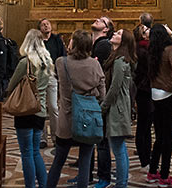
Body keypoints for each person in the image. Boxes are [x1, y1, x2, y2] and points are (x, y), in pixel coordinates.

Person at [46, 30, 105, 188]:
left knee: (58, 161)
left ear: (74, 43)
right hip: (87, 119)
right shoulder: (95, 63)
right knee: (85, 163)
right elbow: (102, 93)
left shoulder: (61, 62)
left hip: (67, 118)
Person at [7, 29, 53, 188]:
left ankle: (30, 186)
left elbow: (11, 85)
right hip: (40, 110)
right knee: (35, 152)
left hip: (25, 109)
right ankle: (44, 184)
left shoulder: (25, 62)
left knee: (26, 153)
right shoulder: (47, 61)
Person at [147, 24, 172, 187]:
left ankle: (152, 171)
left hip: (155, 94)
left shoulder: (152, 51)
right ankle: (165, 175)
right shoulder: (170, 49)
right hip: (169, 94)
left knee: (159, 136)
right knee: (168, 137)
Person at [102, 29, 136, 188]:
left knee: (118, 149)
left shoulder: (120, 61)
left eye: (118, 33)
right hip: (119, 107)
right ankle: (122, 182)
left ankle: (121, 184)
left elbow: (114, 88)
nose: (114, 33)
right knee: (119, 147)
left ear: (123, 41)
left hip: (117, 109)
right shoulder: (118, 59)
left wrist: (103, 106)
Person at [89, 16, 114, 188]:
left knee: (102, 141)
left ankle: (104, 177)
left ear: (106, 29)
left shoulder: (104, 46)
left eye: (102, 20)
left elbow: (100, 73)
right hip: (92, 96)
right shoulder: (96, 44)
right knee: (90, 138)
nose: (97, 19)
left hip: (99, 97)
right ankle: (87, 173)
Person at [39, 19, 66, 147]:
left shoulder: (56, 40)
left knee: (54, 107)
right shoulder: (37, 42)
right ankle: (42, 138)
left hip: (52, 76)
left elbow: (62, 57)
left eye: (47, 24)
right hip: (39, 76)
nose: (46, 26)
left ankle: (56, 136)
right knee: (40, 108)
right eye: (43, 24)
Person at [132, 23, 153, 169]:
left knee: (146, 125)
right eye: (145, 30)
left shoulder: (145, 48)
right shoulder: (142, 49)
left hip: (145, 89)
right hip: (145, 89)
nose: (149, 30)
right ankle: (144, 158)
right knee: (144, 125)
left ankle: (147, 155)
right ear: (142, 35)